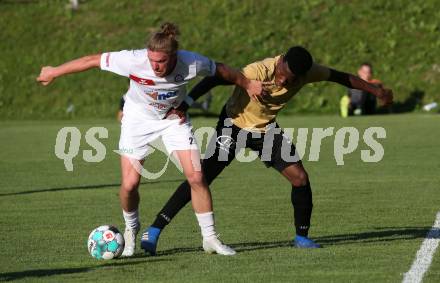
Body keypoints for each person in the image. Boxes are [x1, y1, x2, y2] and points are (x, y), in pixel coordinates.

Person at [36, 22, 264, 256]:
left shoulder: (191, 62)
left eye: (161, 62)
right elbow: (92, 60)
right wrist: (54, 71)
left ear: (174, 56)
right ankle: (130, 231)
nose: (155, 66)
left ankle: (210, 239)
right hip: (137, 121)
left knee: (196, 176)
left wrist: (248, 83)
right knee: (129, 185)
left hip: (172, 120)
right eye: (152, 61)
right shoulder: (134, 60)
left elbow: (221, 69)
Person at [140, 46, 394, 254]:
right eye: (283, 73)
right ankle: (154, 230)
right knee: (201, 179)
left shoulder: (307, 73)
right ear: (280, 61)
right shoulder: (257, 70)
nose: (283, 80)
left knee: (300, 178)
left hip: (266, 132)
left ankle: (301, 237)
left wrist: (376, 90)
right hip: (233, 125)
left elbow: (341, 77)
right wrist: (185, 104)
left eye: (290, 80)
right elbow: (216, 78)